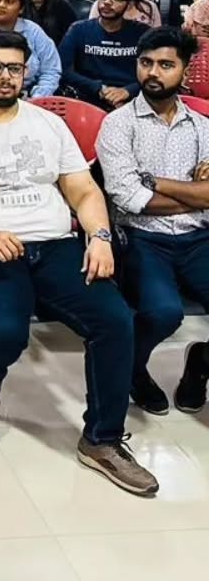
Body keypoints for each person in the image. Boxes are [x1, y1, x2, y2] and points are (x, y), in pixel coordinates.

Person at [0, 29, 157, 496]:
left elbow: (83, 190)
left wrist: (100, 237)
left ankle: (102, 440)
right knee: (5, 330)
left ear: (26, 72)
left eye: (14, 68)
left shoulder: (47, 124)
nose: (5, 77)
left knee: (115, 321)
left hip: (55, 244)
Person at [97, 27, 209, 417]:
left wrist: (154, 181)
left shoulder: (202, 127)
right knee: (164, 313)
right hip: (142, 238)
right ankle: (132, 367)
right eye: (146, 63)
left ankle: (201, 364)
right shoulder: (118, 124)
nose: (153, 73)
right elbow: (128, 199)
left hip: (200, 237)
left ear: (184, 70)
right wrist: (194, 194)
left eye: (165, 64)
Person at [59, 0, 147, 109]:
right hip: (88, 98)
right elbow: (63, 70)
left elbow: (153, 73)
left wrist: (128, 91)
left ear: (129, 4)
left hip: (133, 99)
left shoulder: (142, 33)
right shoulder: (78, 30)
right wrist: (98, 89)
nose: (106, 2)